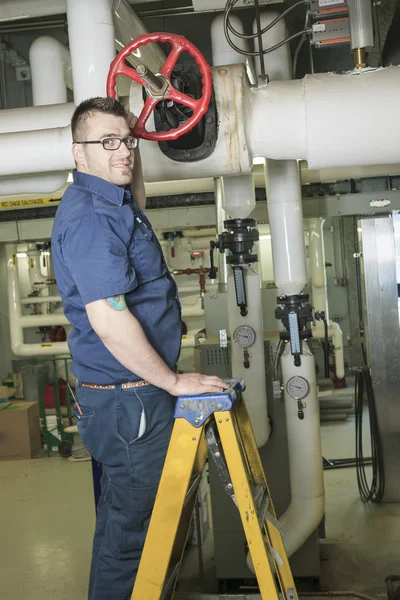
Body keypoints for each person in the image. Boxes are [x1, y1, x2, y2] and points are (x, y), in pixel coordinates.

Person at [51, 96, 228, 600]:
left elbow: (136, 191)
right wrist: (173, 381)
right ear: (77, 152)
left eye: (126, 141)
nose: (122, 152)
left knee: (120, 525)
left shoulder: (113, 200)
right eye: (106, 142)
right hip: (131, 401)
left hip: (131, 395)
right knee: (134, 539)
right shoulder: (90, 218)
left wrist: (134, 132)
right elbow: (108, 321)